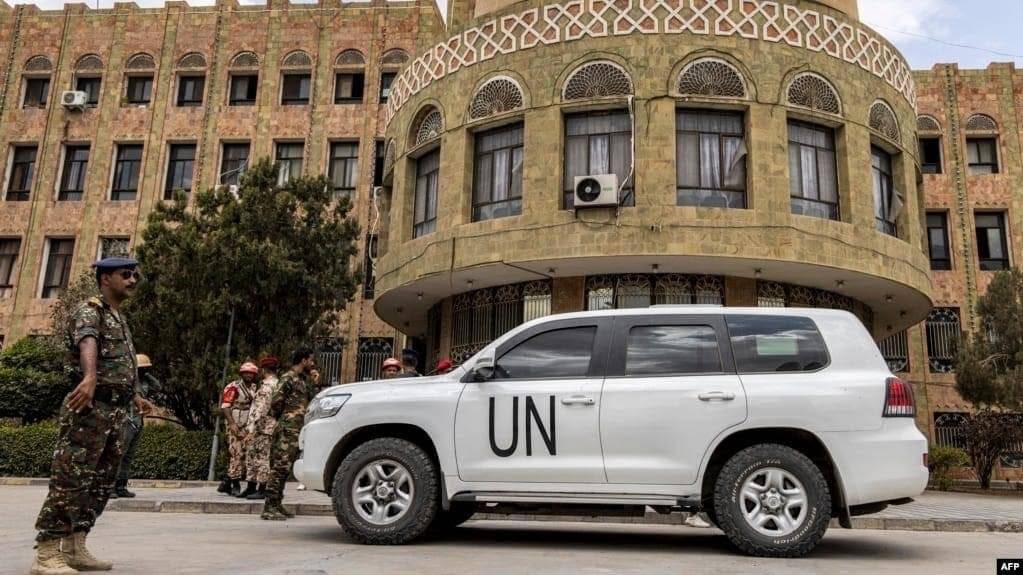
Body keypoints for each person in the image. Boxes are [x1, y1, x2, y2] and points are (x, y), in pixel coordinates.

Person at [32, 256, 153, 575]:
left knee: (101, 481)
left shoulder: (119, 317)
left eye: (135, 275)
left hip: (115, 412)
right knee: (71, 480)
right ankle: (47, 553)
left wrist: (135, 395)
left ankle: (75, 545)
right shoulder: (91, 310)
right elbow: (88, 342)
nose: (133, 280)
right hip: (89, 408)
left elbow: (122, 361)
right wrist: (89, 377)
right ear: (105, 279)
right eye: (125, 275)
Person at [261, 347, 318, 520]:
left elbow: (311, 400)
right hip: (287, 428)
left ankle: (277, 504)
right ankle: (269, 507)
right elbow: (276, 401)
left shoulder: (302, 380)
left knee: (285, 469)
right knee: (279, 467)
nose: (312, 363)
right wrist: (286, 418)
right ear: (303, 361)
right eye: (311, 360)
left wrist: (314, 382)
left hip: (297, 429)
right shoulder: (288, 378)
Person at [109, 353, 159, 500]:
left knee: (128, 456)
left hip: (138, 420)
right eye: (141, 369)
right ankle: (111, 487)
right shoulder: (128, 382)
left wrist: (147, 374)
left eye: (146, 369)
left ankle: (121, 486)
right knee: (120, 454)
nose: (144, 371)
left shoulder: (144, 382)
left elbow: (157, 387)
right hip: (127, 420)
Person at [218, 362, 260, 497]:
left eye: (251, 373)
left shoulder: (254, 387)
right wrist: (232, 424)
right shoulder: (233, 387)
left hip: (248, 423)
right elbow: (225, 406)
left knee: (246, 454)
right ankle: (235, 484)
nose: (249, 375)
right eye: (246, 373)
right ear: (242, 374)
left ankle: (226, 482)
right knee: (236, 453)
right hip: (235, 420)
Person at [242, 356, 280, 500]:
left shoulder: (267, 386)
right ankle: (251, 486)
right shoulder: (277, 384)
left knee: (261, 458)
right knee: (252, 455)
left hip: (262, 427)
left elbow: (261, 409)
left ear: (264, 370)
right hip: (264, 426)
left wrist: (252, 429)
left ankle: (262, 487)